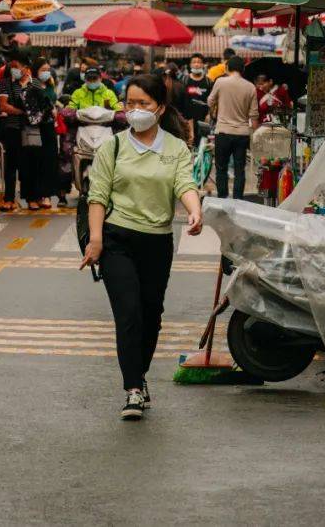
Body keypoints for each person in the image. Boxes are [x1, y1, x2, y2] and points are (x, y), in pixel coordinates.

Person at [80, 71, 202, 420]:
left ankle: (140, 375)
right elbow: (97, 195)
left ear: (160, 108)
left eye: (143, 104)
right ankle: (133, 388)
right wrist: (97, 241)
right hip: (117, 238)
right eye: (130, 103)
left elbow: (185, 183)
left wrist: (195, 212)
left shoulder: (176, 148)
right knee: (129, 313)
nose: (135, 110)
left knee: (151, 316)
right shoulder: (112, 147)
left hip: (158, 242)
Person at [207, 54, 258, 199]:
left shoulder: (221, 82)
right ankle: (237, 200)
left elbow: (210, 102)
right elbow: (254, 115)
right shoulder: (250, 87)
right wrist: (254, 136)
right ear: (243, 69)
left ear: (227, 68)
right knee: (239, 169)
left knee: (221, 168)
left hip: (223, 131)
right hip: (242, 134)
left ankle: (223, 199)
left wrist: (216, 106)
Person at [18, 60, 57, 209]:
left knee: (48, 162)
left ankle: (46, 195)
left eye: (48, 69)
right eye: (43, 69)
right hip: (33, 128)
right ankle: (31, 197)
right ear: (35, 70)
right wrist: (48, 109)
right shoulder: (30, 86)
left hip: (48, 128)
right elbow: (29, 107)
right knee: (32, 162)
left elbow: (53, 102)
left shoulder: (50, 86)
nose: (47, 72)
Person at [0, 52, 27, 211]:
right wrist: (20, 112)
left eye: (18, 67)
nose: (15, 69)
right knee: (11, 165)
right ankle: (8, 198)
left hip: (28, 129)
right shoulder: (5, 83)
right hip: (12, 128)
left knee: (28, 164)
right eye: (12, 67)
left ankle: (32, 197)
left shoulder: (28, 84)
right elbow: (3, 105)